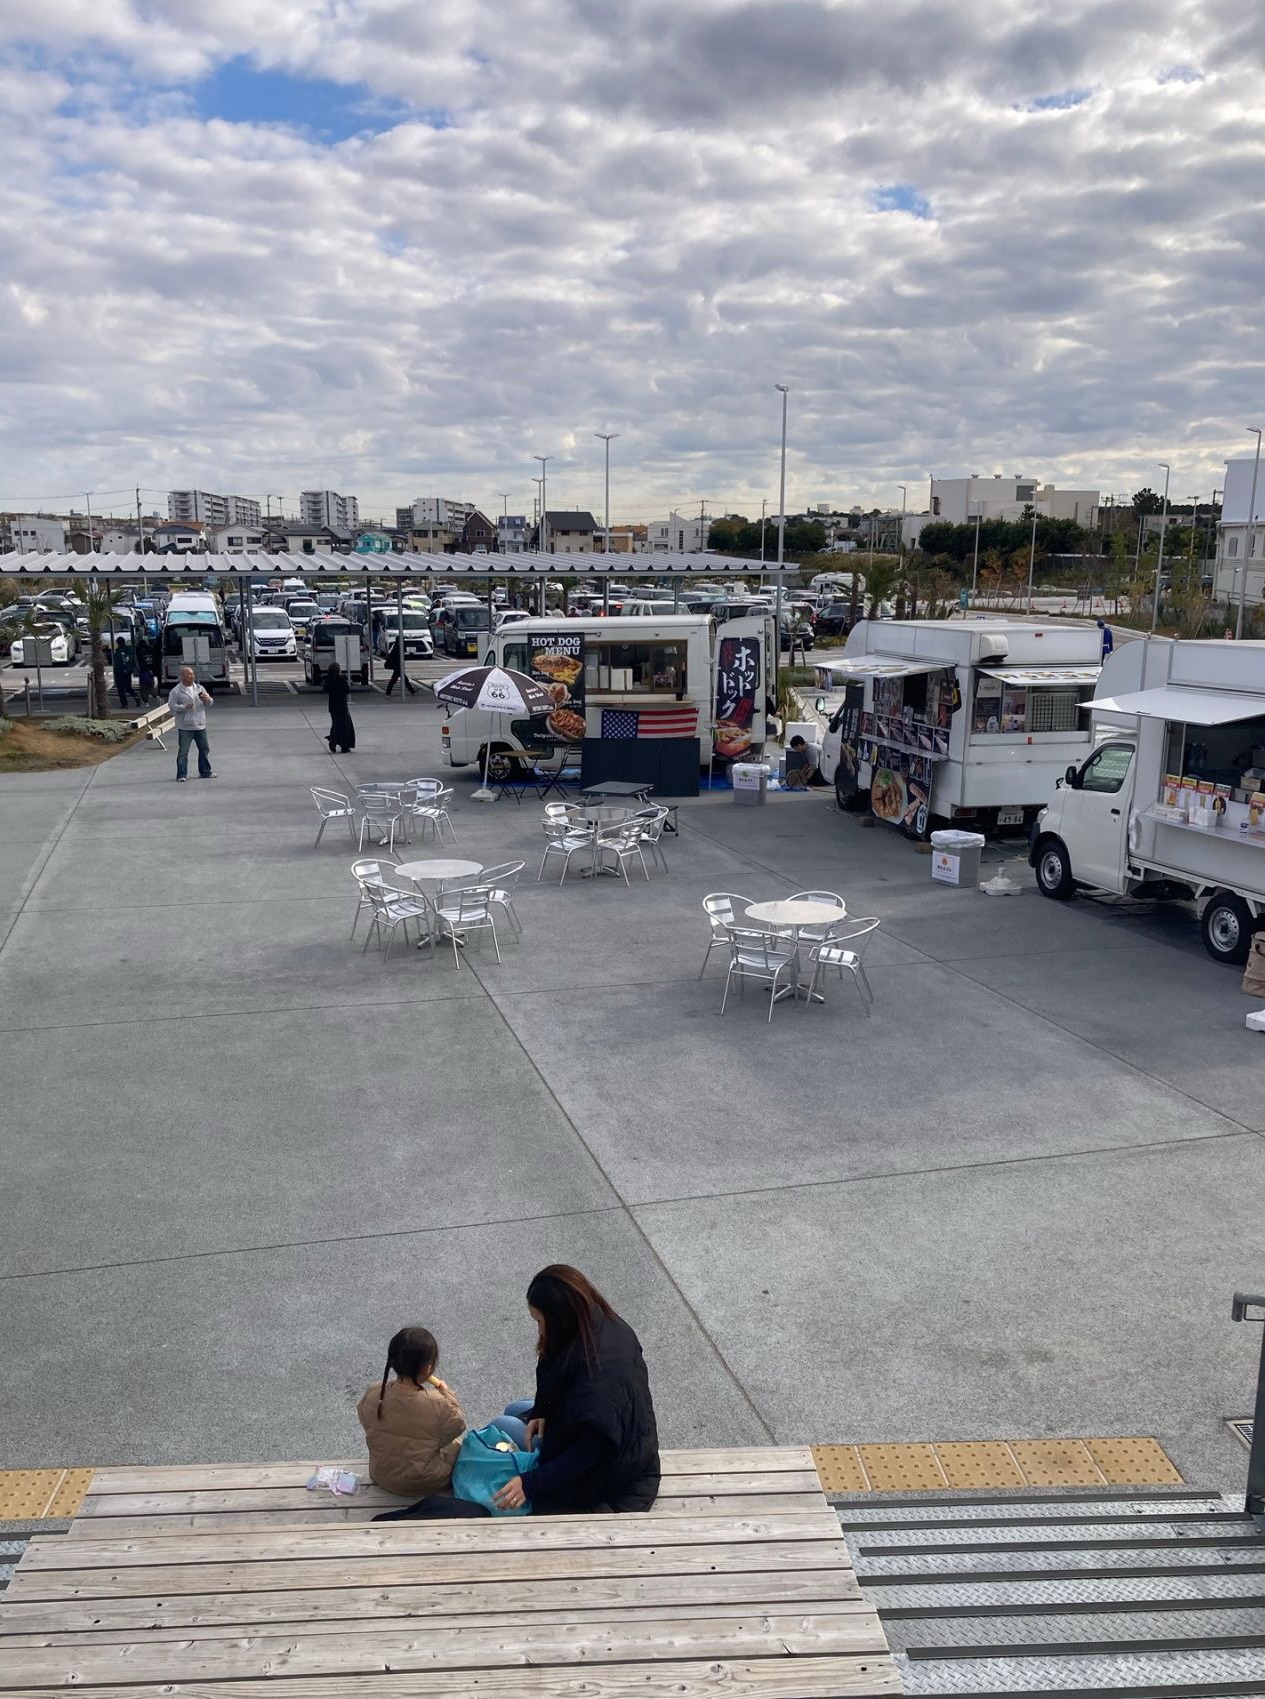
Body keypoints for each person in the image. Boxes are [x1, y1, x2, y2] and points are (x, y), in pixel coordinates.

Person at [492, 1264, 660, 1516]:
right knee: (516, 1411)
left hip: (611, 1474)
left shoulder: (600, 1383)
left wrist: (530, 1484)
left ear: (560, 1318)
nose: (539, 1330)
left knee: (503, 1424)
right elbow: (553, 1377)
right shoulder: (597, 1324)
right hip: (604, 1437)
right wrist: (541, 1410)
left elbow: (587, 1454)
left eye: (540, 1321)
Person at [357, 1327, 467, 1498]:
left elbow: (365, 1421)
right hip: (426, 1483)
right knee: (458, 1446)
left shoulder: (374, 1393)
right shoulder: (438, 1404)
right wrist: (448, 1395)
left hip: (382, 1475)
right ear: (428, 1369)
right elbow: (458, 1426)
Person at [168, 666, 215, 781]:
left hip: (200, 724)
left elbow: (210, 703)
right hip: (185, 727)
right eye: (189, 674)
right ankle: (181, 775)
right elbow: (171, 706)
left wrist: (207, 699)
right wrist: (184, 707)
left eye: (192, 674)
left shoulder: (199, 688)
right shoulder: (176, 691)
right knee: (183, 752)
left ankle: (205, 772)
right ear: (182, 676)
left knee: (204, 749)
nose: (192, 676)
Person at [324, 659, 356, 753]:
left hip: (333, 707)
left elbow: (325, 689)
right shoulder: (341, 680)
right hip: (342, 707)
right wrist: (345, 680)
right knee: (345, 726)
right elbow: (347, 690)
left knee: (336, 725)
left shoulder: (329, 680)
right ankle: (344, 745)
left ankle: (334, 740)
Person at [112, 639, 136, 709]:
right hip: (127, 672)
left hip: (120, 672)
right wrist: (130, 670)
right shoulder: (128, 650)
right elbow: (132, 660)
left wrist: (116, 671)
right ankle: (135, 696)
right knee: (128, 687)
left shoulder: (118, 651)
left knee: (121, 689)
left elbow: (117, 663)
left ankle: (125, 704)